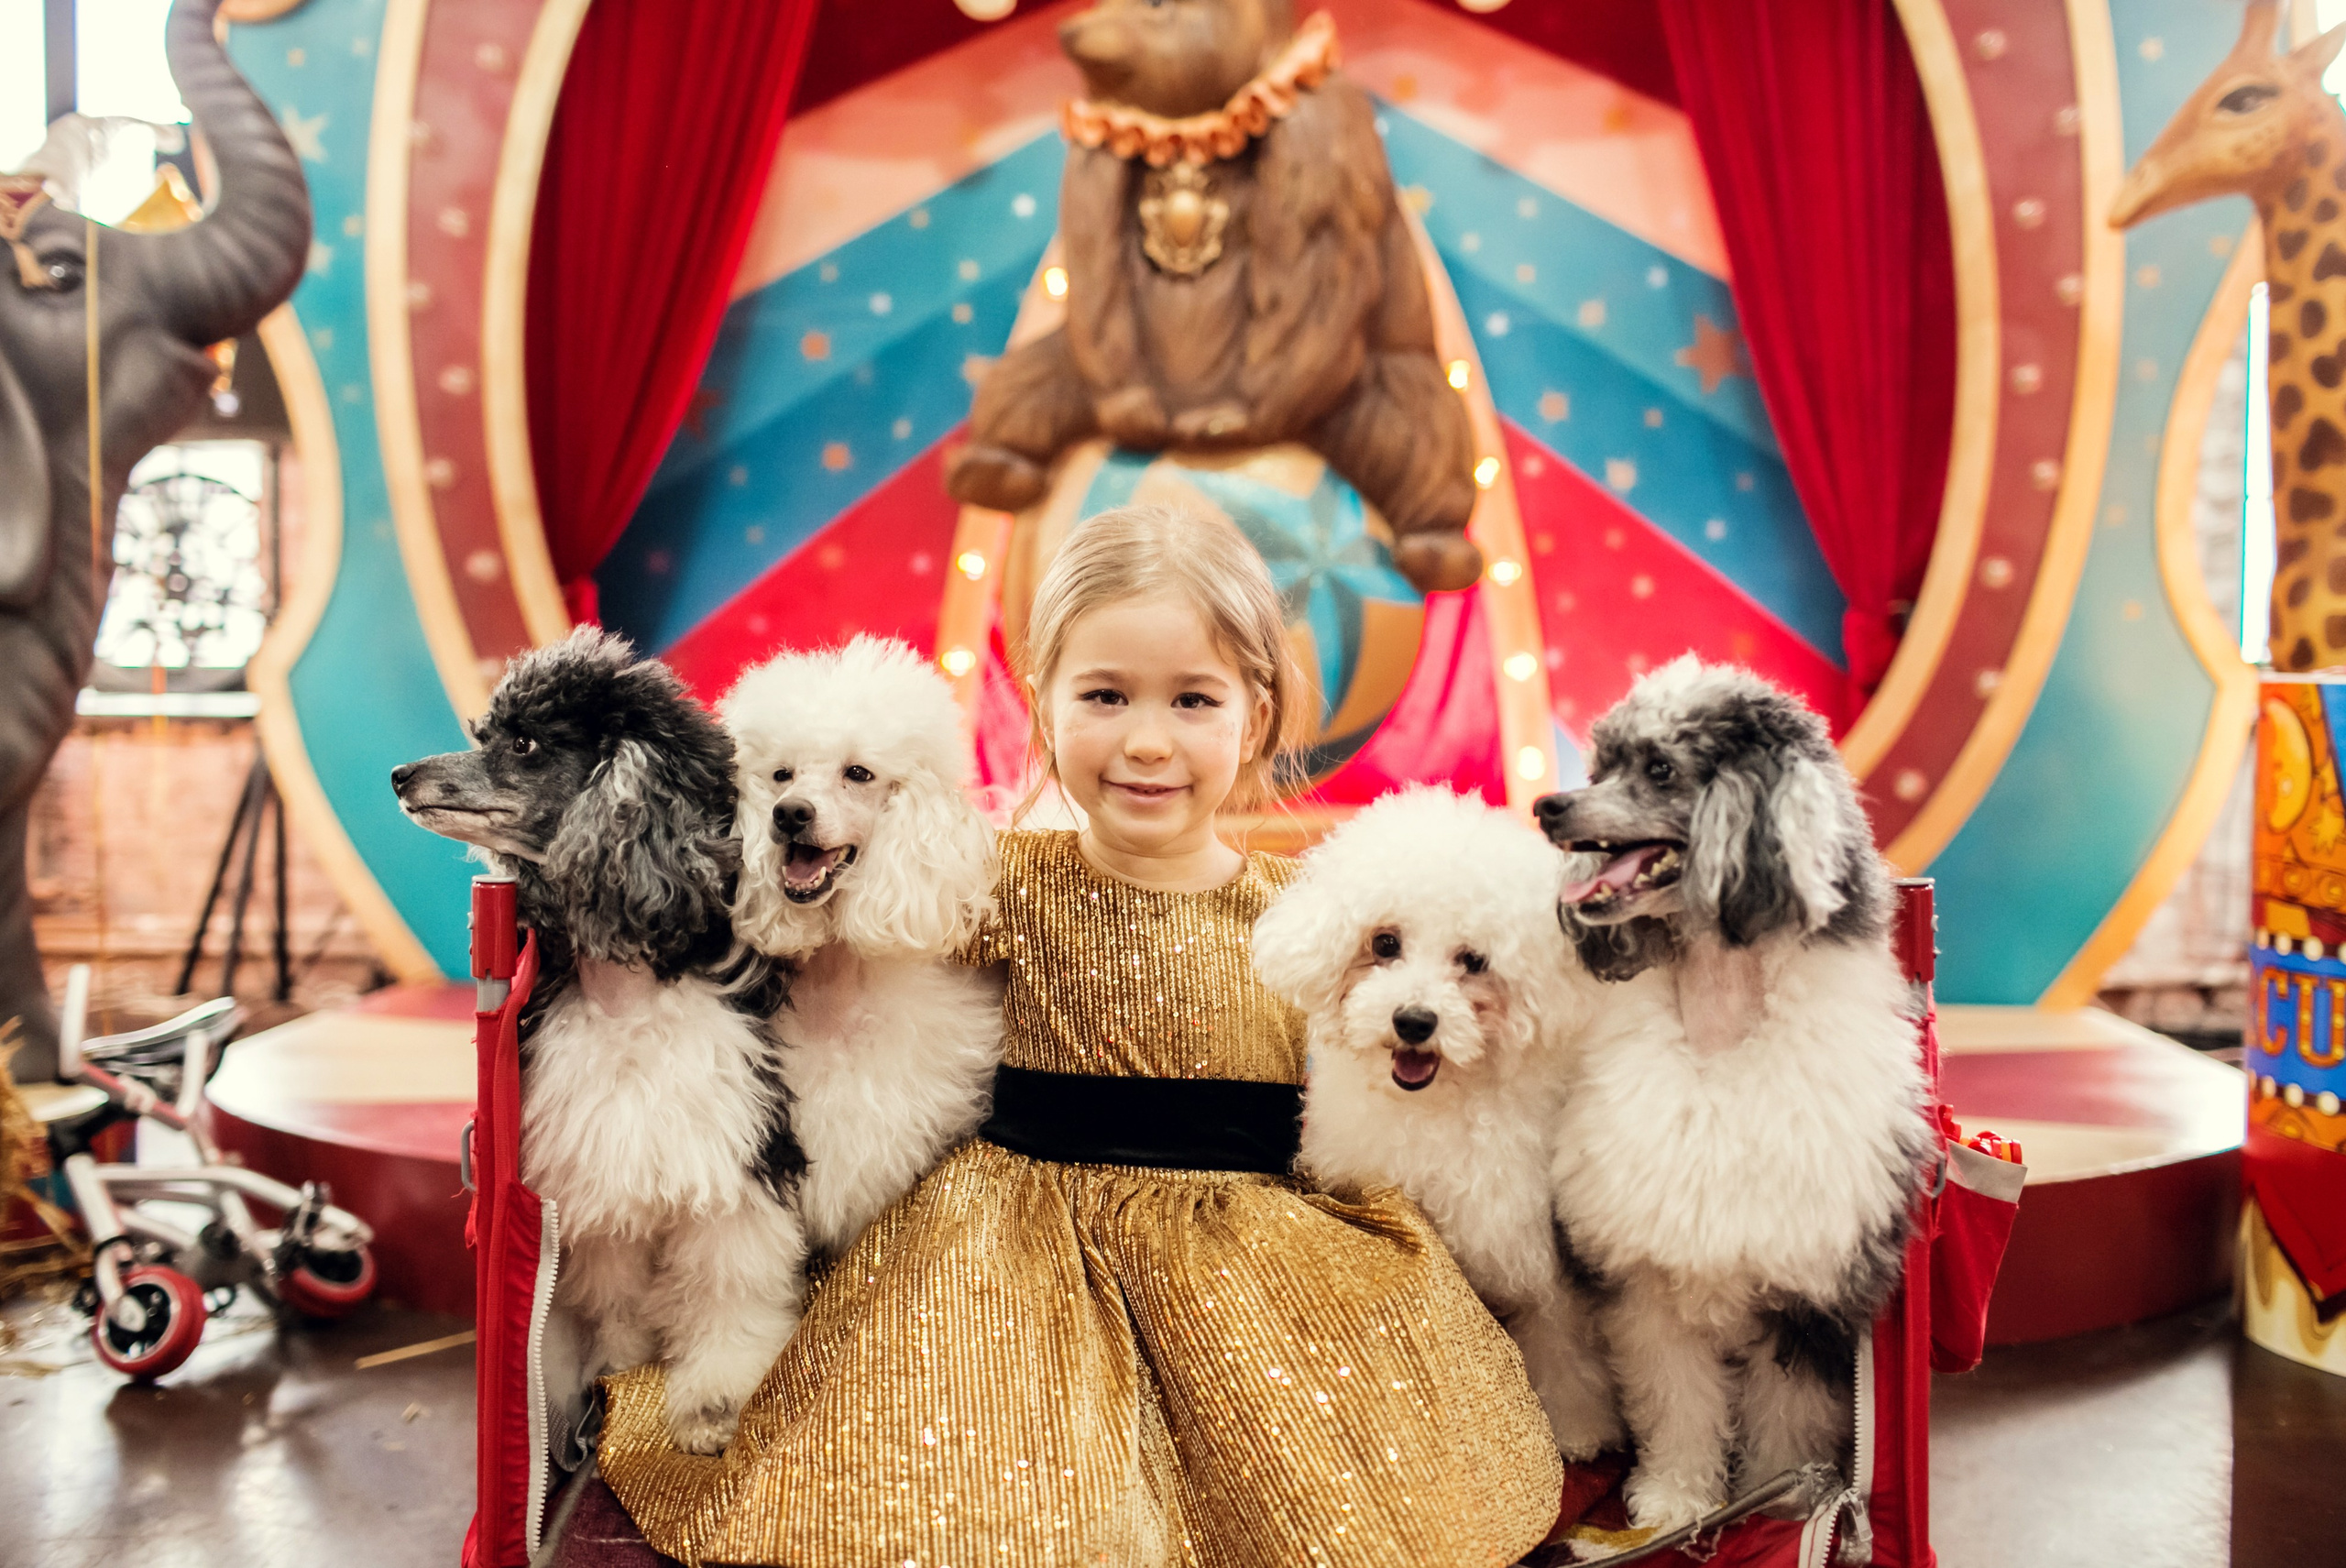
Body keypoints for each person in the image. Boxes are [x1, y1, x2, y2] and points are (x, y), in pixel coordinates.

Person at [595, 505, 1562, 1566]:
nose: (1147, 738)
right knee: (978, 1495)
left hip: (1242, 1263)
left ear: (1258, 710)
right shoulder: (999, 882)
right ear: (1042, 703)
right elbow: (833, 916)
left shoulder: (1310, 912)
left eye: (1193, 699)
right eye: (1105, 696)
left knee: (1334, 1504)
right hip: (1016, 1258)